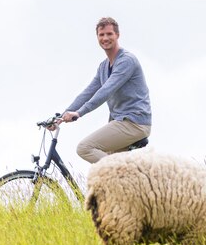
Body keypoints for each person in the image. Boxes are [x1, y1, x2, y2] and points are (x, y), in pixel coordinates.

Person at [58, 17, 152, 163]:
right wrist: (61, 116)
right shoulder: (103, 66)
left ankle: (114, 173)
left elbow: (106, 91)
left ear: (117, 35)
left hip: (134, 123)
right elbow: (88, 92)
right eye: (101, 35)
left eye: (109, 34)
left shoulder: (126, 61)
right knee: (110, 167)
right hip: (120, 122)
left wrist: (79, 113)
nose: (105, 38)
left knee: (85, 148)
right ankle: (126, 180)